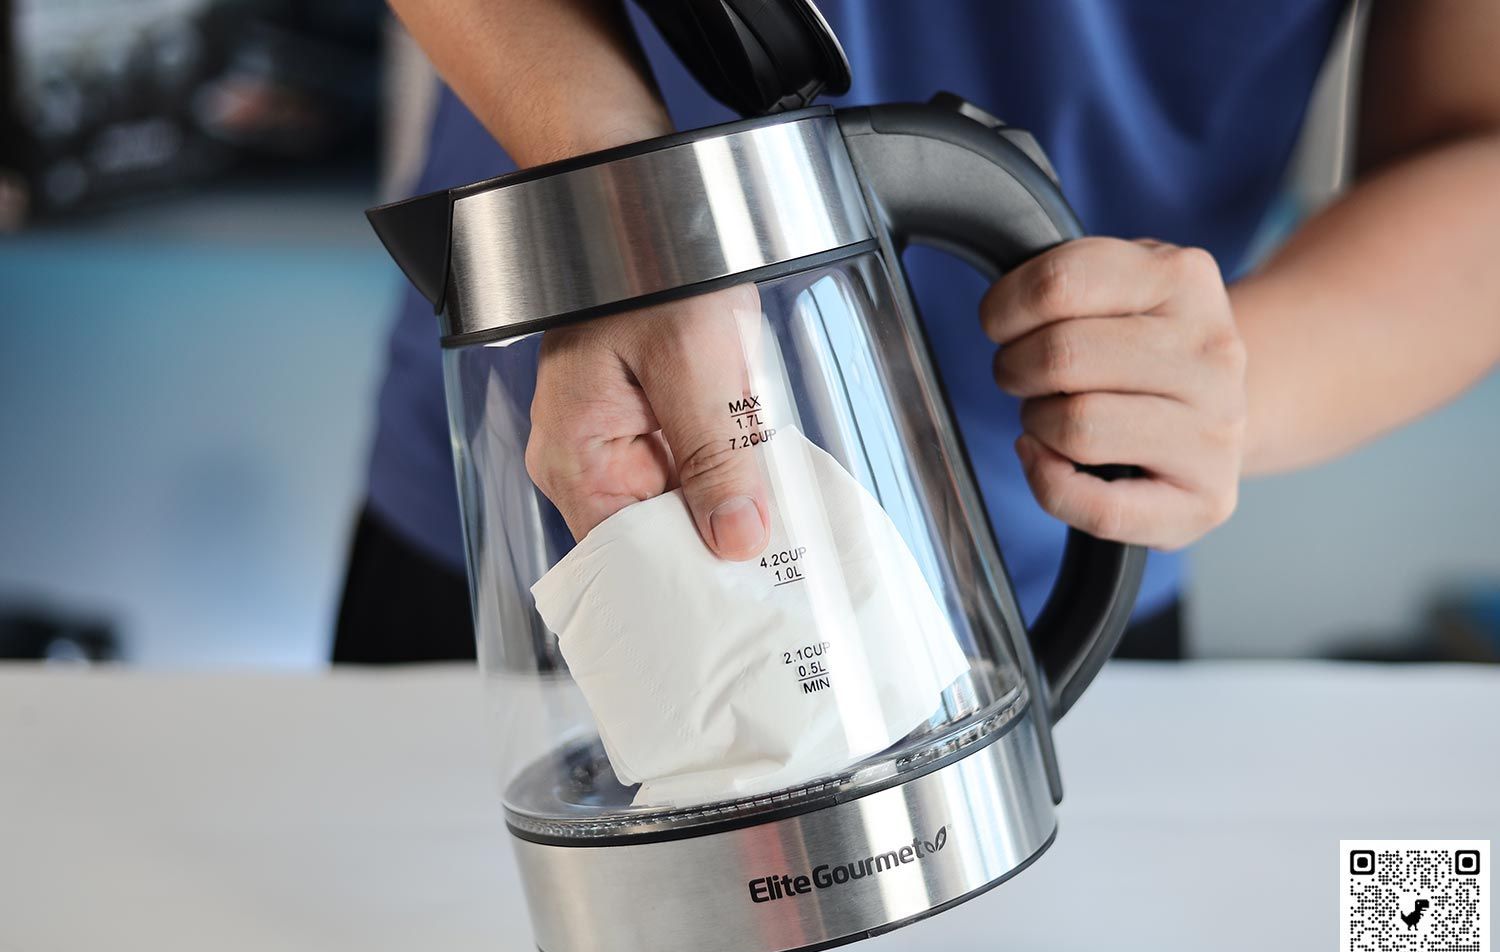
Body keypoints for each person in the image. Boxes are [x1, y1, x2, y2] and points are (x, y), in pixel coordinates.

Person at [333, 0, 1500, 663]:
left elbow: (1475, 143)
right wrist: (622, 201)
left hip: (1058, 584)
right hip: (553, 534)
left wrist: (1226, 388)